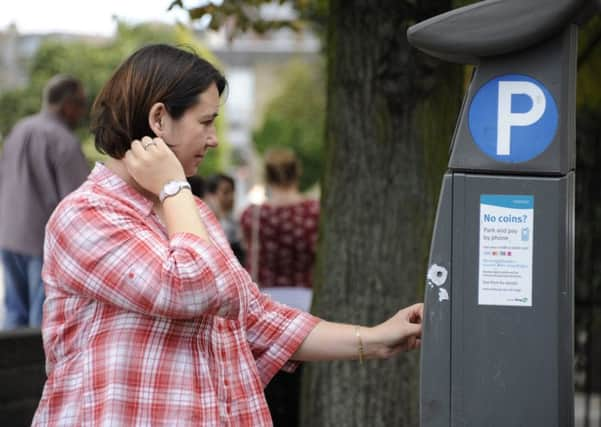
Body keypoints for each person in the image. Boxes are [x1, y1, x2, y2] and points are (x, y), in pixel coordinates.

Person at [31, 44, 423, 427]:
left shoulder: (190, 212)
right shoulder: (86, 215)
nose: (214, 138)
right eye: (205, 121)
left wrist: (374, 339)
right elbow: (187, 287)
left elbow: (255, 319)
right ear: (158, 119)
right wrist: (172, 187)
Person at [0, 75, 89, 329]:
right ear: (68, 104)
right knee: (42, 325)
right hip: (42, 242)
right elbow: (79, 204)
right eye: (81, 104)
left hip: (8, 235)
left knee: (13, 315)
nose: (83, 112)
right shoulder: (63, 141)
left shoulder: (19, 129)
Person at [239, 147, 319, 425]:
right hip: (308, 305)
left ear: (268, 176)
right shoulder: (314, 212)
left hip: (266, 307)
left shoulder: (253, 216)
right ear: (296, 172)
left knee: (272, 393)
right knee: (302, 391)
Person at [206, 173, 246, 264]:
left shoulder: (235, 223)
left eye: (233, 192)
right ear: (210, 195)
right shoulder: (202, 226)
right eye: (226, 192)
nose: (231, 197)